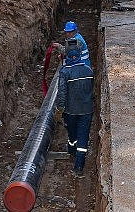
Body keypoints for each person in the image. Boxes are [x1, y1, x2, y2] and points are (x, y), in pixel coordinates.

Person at [55, 38, 94, 177]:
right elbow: (91, 89)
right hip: (87, 110)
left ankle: (71, 151)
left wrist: (60, 109)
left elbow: (62, 93)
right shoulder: (88, 70)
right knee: (83, 137)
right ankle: (79, 167)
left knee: (72, 134)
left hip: (71, 111)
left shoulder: (65, 72)